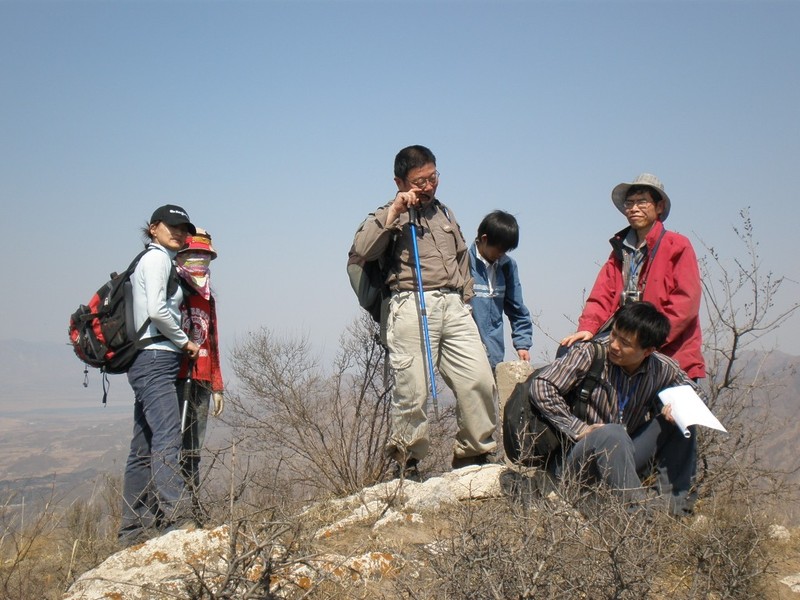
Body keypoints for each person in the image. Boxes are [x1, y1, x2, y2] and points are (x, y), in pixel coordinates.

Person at [352, 145, 498, 477]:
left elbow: (462, 259)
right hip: (411, 304)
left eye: (433, 177)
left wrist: (465, 298)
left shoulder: (445, 213)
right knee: (412, 389)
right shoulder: (388, 213)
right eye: (420, 181)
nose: (429, 186)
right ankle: (407, 462)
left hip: (454, 306)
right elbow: (363, 249)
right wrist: (395, 211)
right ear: (400, 182)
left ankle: (474, 453)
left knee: (479, 379)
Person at [532, 301, 700, 515]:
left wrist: (679, 404)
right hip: (579, 459)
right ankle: (637, 516)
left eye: (625, 343)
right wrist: (578, 428)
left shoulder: (661, 368)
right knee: (612, 433)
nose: (614, 345)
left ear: (648, 351)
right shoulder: (591, 353)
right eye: (614, 334)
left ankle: (673, 509)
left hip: (624, 455)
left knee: (682, 420)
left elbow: (696, 394)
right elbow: (542, 386)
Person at [560, 173, 704, 380]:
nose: (634, 208)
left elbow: (685, 304)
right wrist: (588, 328)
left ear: (659, 206)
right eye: (629, 203)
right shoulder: (620, 250)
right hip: (626, 345)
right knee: (569, 352)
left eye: (642, 202)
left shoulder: (677, 246)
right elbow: (601, 296)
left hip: (668, 350)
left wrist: (647, 340)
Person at [119, 204, 200, 546]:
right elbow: (156, 309)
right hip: (156, 357)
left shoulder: (154, 259)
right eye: (172, 226)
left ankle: (133, 530)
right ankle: (179, 517)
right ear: (153, 228)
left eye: (184, 228)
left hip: (146, 359)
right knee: (168, 436)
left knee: (143, 446)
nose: (179, 232)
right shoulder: (157, 259)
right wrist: (185, 342)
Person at [175, 228, 224, 515]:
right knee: (171, 444)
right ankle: (170, 506)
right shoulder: (174, 291)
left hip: (202, 379)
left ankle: (191, 504)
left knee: (194, 447)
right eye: (193, 255)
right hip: (176, 377)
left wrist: (217, 386)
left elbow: (212, 342)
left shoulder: (208, 299)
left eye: (204, 256)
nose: (199, 261)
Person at [468, 210, 533, 371]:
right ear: (484, 239)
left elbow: (517, 308)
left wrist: (522, 344)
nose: (501, 254)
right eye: (499, 249)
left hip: (494, 355)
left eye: (506, 250)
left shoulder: (507, 266)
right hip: (467, 353)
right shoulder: (463, 263)